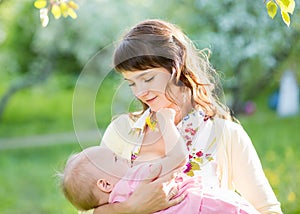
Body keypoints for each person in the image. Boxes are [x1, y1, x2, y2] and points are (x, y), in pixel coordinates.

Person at [80, 19, 282, 213]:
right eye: (132, 83)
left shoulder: (225, 134)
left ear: (177, 68)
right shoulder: (122, 131)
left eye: (148, 78)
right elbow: (89, 207)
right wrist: (132, 209)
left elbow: (267, 210)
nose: (140, 92)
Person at [61, 110, 260, 213]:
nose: (122, 157)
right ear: (104, 184)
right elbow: (179, 158)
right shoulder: (137, 177)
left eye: (148, 78)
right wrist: (165, 121)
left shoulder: (113, 201)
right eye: (115, 158)